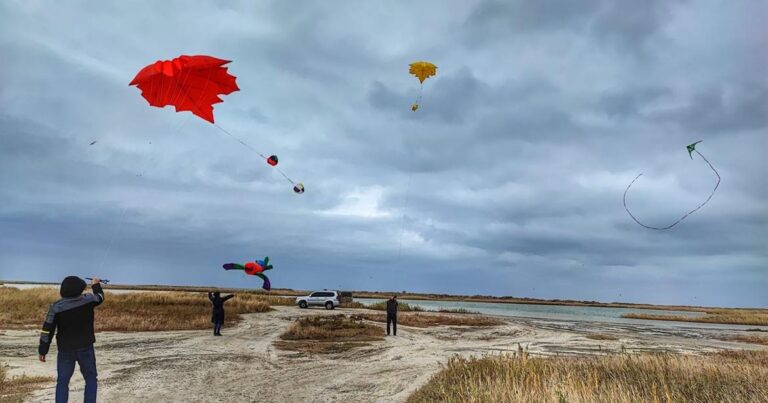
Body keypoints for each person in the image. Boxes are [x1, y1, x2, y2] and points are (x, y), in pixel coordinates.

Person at [39, 276, 105, 403]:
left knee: (62, 382)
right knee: (91, 379)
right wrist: (95, 284)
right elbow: (100, 297)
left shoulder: (56, 307)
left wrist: (43, 350)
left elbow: (47, 331)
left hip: (65, 349)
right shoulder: (88, 300)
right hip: (85, 347)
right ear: (79, 289)